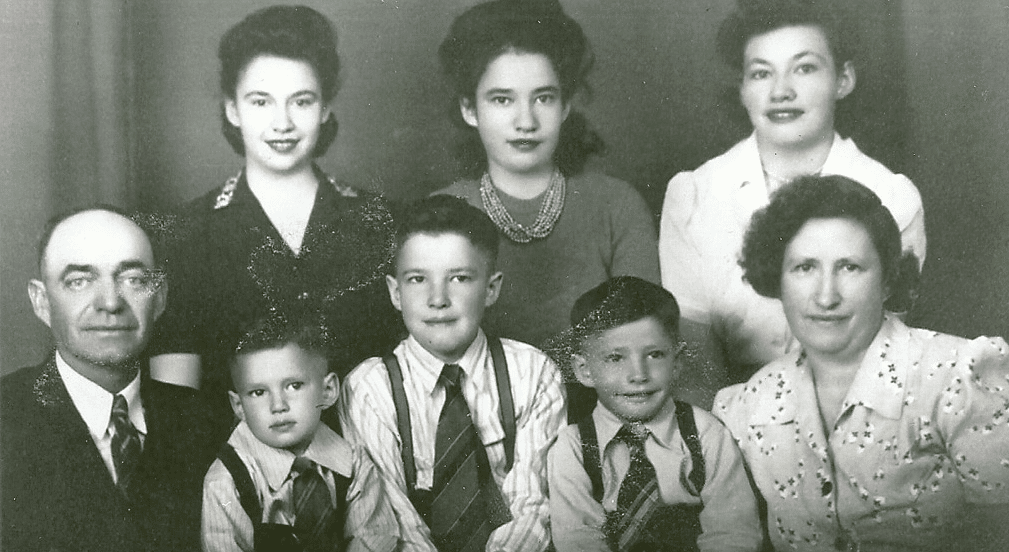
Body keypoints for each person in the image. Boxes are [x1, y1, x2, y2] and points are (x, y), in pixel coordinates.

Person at [713, 175, 1009, 551]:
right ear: (777, 280)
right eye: (804, 267)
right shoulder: (747, 407)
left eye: (850, 267)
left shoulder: (959, 379)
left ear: (887, 281)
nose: (826, 296)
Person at [658, 0, 927, 406]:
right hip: (725, 416)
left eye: (804, 68)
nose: (781, 91)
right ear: (743, 90)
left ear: (843, 80)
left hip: (854, 412)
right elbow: (694, 362)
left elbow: (881, 354)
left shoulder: (892, 196)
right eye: (761, 73)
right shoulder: (693, 194)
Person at [149, 5, 398, 435]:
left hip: (373, 459)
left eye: (301, 101)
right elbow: (175, 407)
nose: (282, 123)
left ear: (325, 108)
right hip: (231, 465)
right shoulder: (186, 234)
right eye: (260, 101)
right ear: (232, 109)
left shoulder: (379, 220)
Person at [433, 0, 660, 363]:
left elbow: (643, 350)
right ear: (469, 109)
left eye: (543, 98)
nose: (526, 121)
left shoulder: (616, 205)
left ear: (565, 105)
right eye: (502, 99)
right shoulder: (439, 214)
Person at [338, 195, 567, 551]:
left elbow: (532, 508)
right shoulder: (369, 388)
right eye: (418, 279)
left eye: (459, 278)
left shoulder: (534, 373)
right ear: (395, 293)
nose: (438, 299)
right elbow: (394, 520)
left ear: (490, 289)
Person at [1, 207, 213, 552]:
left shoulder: (209, 422)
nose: (111, 303)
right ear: (41, 302)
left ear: (160, 298)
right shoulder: (6, 417)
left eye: (134, 280)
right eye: (79, 281)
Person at [546, 276, 762, 552]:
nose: (638, 375)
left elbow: (734, 534)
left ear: (677, 362)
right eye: (615, 358)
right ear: (584, 370)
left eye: (655, 355)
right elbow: (579, 541)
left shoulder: (706, 434)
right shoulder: (573, 447)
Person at [202, 316, 398, 551]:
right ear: (239, 406)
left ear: (328, 391)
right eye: (258, 392)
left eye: (294, 386)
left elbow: (373, 538)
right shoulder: (226, 481)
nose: (278, 406)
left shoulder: (355, 463)